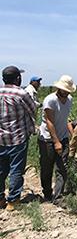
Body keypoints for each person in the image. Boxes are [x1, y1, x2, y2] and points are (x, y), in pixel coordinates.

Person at [0, 66, 36, 211]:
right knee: (16, 169)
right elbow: (33, 109)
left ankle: (0, 198)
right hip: (18, 137)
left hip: (1, 138)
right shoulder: (21, 93)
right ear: (17, 78)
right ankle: (13, 201)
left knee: (1, 170)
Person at [38, 75, 76, 204]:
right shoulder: (50, 100)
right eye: (64, 90)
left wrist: (71, 134)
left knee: (62, 168)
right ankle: (47, 193)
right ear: (59, 88)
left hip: (63, 137)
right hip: (48, 139)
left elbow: (65, 119)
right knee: (47, 167)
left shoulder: (69, 99)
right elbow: (49, 121)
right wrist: (56, 142)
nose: (65, 92)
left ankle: (58, 196)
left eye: (67, 90)